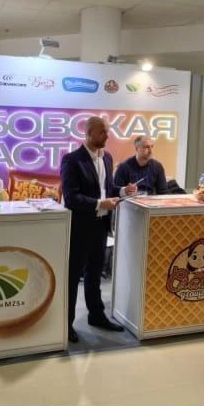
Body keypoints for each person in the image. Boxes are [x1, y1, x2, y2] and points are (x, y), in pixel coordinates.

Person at [60, 116, 136, 342]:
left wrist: (122, 191)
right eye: (103, 132)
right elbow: (71, 197)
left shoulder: (108, 158)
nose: (107, 136)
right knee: (73, 276)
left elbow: (107, 188)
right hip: (80, 226)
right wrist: (99, 204)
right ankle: (66, 324)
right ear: (89, 133)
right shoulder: (72, 160)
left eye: (107, 131)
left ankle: (96, 314)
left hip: (101, 226)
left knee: (95, 273)